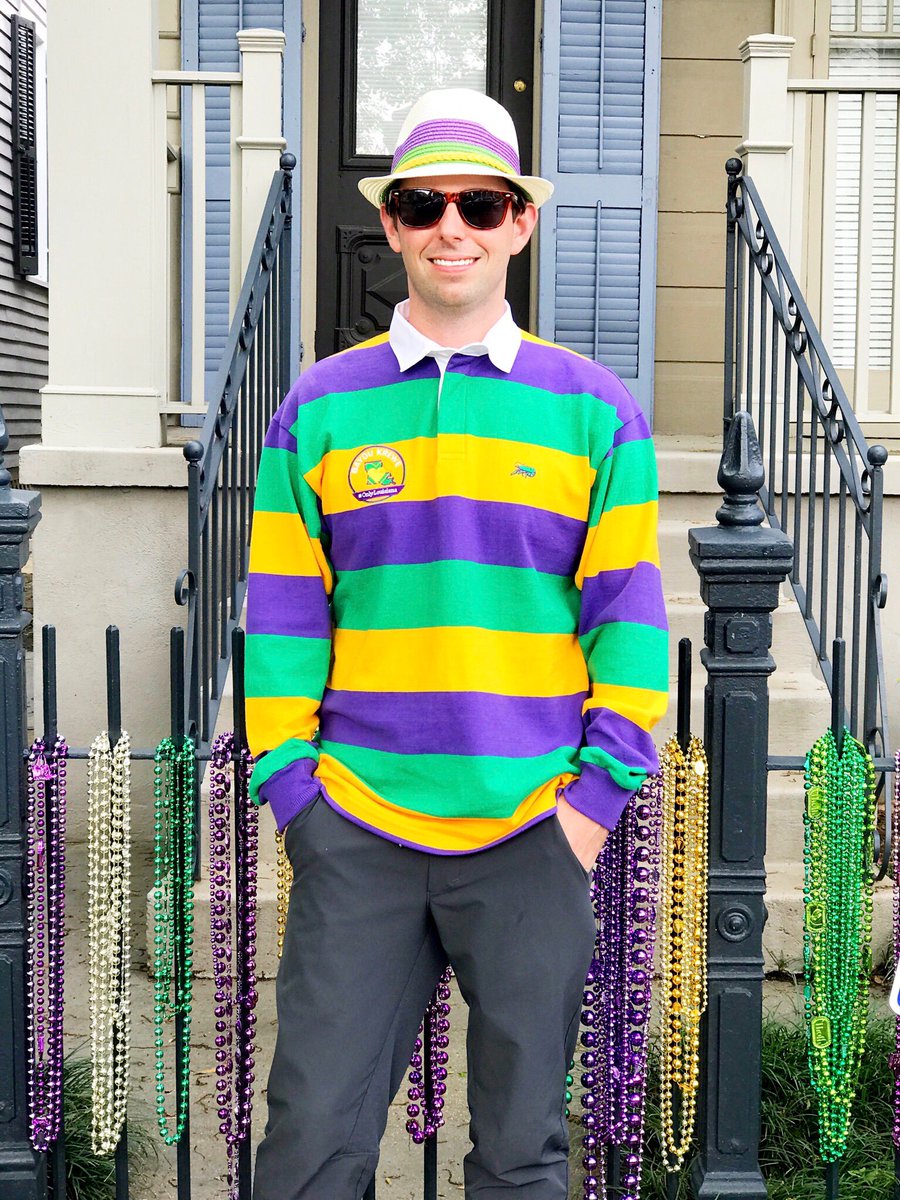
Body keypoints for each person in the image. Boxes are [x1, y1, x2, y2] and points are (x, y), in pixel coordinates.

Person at [246, 88, 668, 1200]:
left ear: (519, 223)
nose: (453, 227)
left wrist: (591, 808)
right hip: (359, 828)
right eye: (425, 203)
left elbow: (628, 622)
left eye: (480, 204)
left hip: (535, 829)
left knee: (524, 1156)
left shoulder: (594, 410)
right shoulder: (319, 410)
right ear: (389, 222)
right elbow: (284, 618)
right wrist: (296, 795)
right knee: (308, 1147)